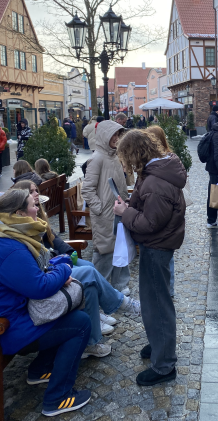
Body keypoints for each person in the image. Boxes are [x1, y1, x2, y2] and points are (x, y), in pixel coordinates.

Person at [11, 179, 141, 353]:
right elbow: (40, 258)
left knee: (88, 267)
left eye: (35, 190)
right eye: (32, 191)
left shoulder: (36, 214)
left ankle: (94, 325)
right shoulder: (22, 227)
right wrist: (60, 258)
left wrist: (67, 251)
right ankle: (121, 305)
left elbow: (52, 238)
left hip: (55, 261)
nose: (36, 194)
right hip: (51, 267)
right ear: (20, 205)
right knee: (88, 273)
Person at [0, 189, 92, 416]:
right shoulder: (10, 247)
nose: (38, 210)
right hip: (12, 328)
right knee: (80, 323)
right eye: (33, 205)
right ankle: (57, 397)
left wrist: (57, 268)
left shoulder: (12, 237)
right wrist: (64, 268)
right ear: (19, 213)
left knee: (66, 313)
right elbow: (39, 287)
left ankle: (40, 370)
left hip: (18, 316)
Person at [114, 130, 186, 386]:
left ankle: (164, 365)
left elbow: (151, 222)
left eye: (126, 157)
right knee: (155, 301)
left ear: (135, 153)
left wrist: (125, 213)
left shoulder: (156, 182)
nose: (126, 163)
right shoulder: (156, 173)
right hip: (157, 245)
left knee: (157, 304)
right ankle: (159, 344)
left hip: (157, 246)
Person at [82, 121, 130, 292]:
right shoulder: (96, 159)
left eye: (118, 135)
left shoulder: (115, 156)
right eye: (113, 135)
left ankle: (119, 284)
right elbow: (87, 190)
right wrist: (99, 208)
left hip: (118, 211)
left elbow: (121, 183)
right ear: (104, 136)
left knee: (120, 246)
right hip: (104, 214)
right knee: (104, 250)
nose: (116, 138)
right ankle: (97, 288)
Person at [146, 125, 177, 297]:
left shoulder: (159, 162)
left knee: (162, 252)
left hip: (163, 211)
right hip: (171, 212)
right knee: (167, 253)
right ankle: (168, 289)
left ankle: (165, 289)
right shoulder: (171, 158)